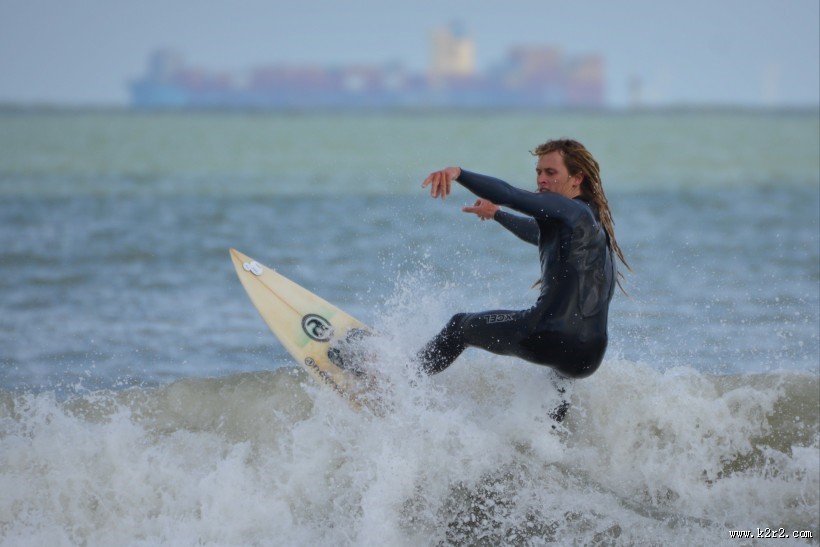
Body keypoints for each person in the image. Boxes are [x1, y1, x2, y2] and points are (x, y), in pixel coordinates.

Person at [417, 139, 629, 420]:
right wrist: (498, 215)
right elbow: (537, 234)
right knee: (559, 381)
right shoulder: (588, 224)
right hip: (588, 355)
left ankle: (399, 381)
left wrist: (458, 173)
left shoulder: (569, 210)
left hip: (546, 334)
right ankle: (547, 448)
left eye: (551, 173)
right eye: (539, 172)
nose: (541, 180)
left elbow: (510, 193)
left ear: (577, 179)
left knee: (459, 327)